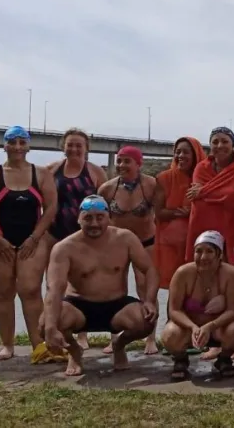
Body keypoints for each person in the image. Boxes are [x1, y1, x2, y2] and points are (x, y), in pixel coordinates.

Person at [40, 195, 159, 376]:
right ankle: (74, 351)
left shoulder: (125, 238)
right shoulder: (64, 247)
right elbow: (54, 289)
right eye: (88, 218)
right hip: (78, 306)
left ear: (108, 218)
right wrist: (50, 327)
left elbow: (150, 270)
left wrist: (149, 300)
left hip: (116, 305)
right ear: (79, 218)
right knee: (45, 323)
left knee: (145, 321)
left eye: (99, 217)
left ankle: (119, 345)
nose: (94, 223)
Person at [0, 126, 58, 361]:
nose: (18, 147)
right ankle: (7, 345)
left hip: (33, 239)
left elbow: (51, 209)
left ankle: (39, 346)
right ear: (5, 145)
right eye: (12, 142)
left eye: (22, 142)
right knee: (3, 293)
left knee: (31, 290)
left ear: (28, 146)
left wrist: (34, 238)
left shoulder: (41, 174)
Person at [187, 127, 234, 359]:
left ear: (233, 144)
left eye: (224, 141)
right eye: (215, 141)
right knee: (213, 290)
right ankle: (216, 341)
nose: (219, 146)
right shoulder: (202, 167)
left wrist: (205, 192)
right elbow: (203, 198)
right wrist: (216, 194)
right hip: (209, 234)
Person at [43, 128, 108, 351]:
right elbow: (41, 201)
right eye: (70, 144)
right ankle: (54, 330)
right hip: (55, 233)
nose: (74, 149)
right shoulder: (52, 170)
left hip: (85, 236)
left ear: (86, 148)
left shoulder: (95, 172)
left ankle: (82, 334)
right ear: (63, 146)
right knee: (54, 283)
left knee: (82, 283)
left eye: (79, 145)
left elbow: (105, 205)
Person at [161, 230, 234, 380]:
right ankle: (180, 360)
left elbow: (233, 310)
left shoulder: (231, 274)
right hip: (189, 328)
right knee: (170, 333)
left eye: (209, 251)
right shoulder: (183, 273)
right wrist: (193, 327)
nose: (203, 257)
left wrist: (210, 326)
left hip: (218, 328)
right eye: (198, 251)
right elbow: (174, 311)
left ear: (219, 255)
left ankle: (224, 359)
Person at [98, 146, 159, 355]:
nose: (122, 165)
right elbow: (98, 220)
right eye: (119, 161)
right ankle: (114, 336)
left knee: (146, 289)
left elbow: (161, 214)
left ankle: (150, 337)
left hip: (146, 242)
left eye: (127, 161)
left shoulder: (150, 185)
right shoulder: (107, 189)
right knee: (114, 289)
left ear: (138, 163)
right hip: (117, 244)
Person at [152, 137, 207, 292]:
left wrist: (194, 212)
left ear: (196, 154)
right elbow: (159, 213)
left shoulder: (205, 178)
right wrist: (181, 213)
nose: (181, 156)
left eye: (186, 152)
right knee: (175, 289)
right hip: (170, 246)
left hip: (199, 245)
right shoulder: (164, 178)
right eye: (178, 152)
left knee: (197, 289)